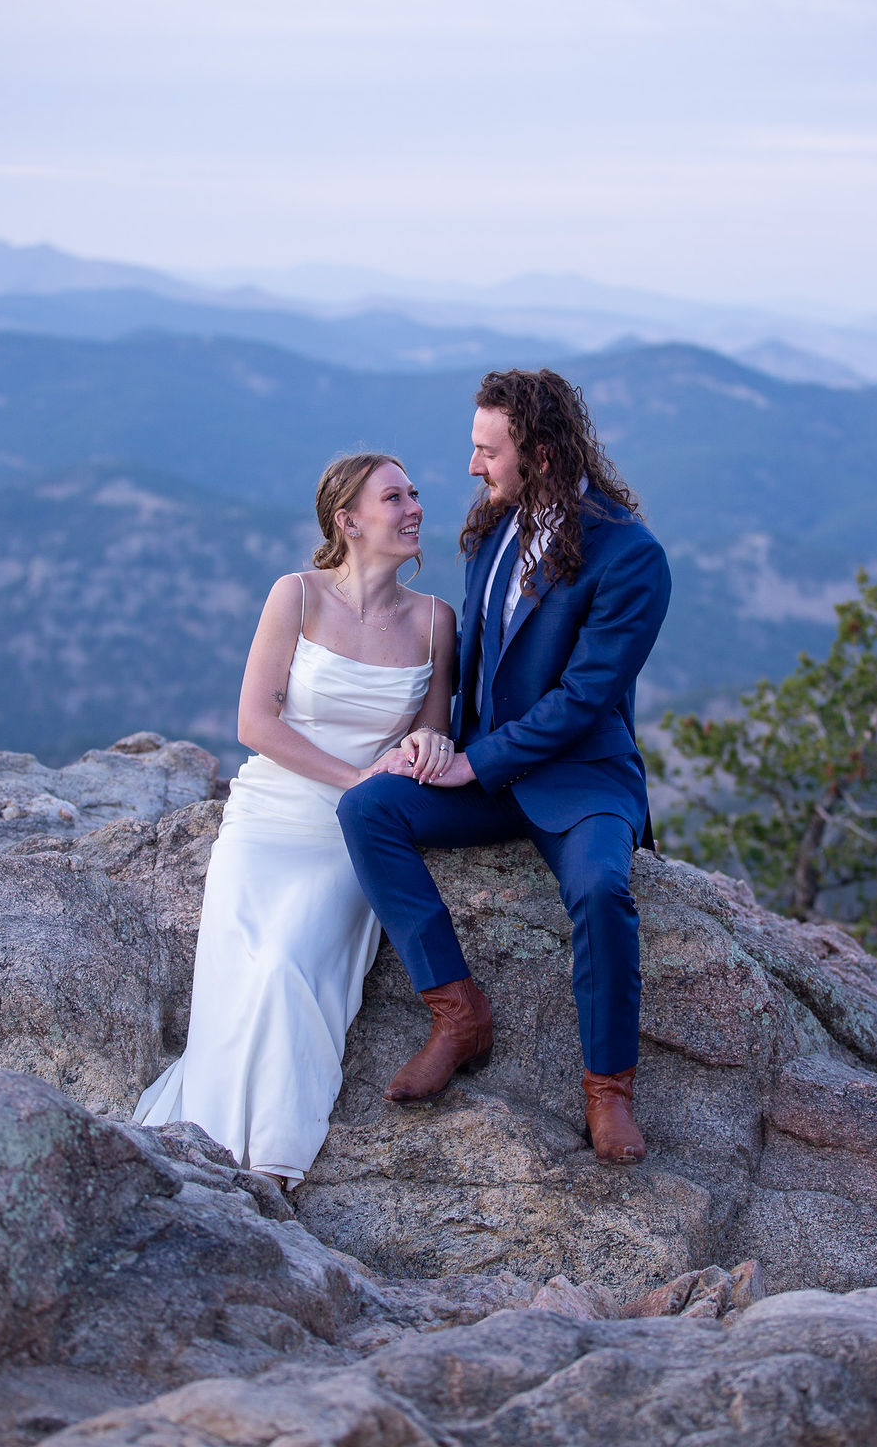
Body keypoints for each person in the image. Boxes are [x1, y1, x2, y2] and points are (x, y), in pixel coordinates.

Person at [337, 369, 671, 1164]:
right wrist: (439, 742)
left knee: (598, 886)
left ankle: (609, 1090)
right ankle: (457, 1013)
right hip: (485, 774)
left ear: (543, 452)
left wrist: (476, 760)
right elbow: (480, 666)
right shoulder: (492, 531)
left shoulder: (631, 556)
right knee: (367, 810)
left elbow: (584, 699)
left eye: (487, 450)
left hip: (583, 778)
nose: (472, 466)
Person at [134, 453, 457, 1188]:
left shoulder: (437, 622)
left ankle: (273, 1162)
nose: (414, 508)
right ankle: (206, 1152)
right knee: (242, 977)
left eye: (414, 495)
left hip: (352, 837)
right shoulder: (297, 596)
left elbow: (430, 739)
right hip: (266, 818)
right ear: (348, 521)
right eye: (394, 498)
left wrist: (429, 745)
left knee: (284, 965)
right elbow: (254, 722)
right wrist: (356, 779)